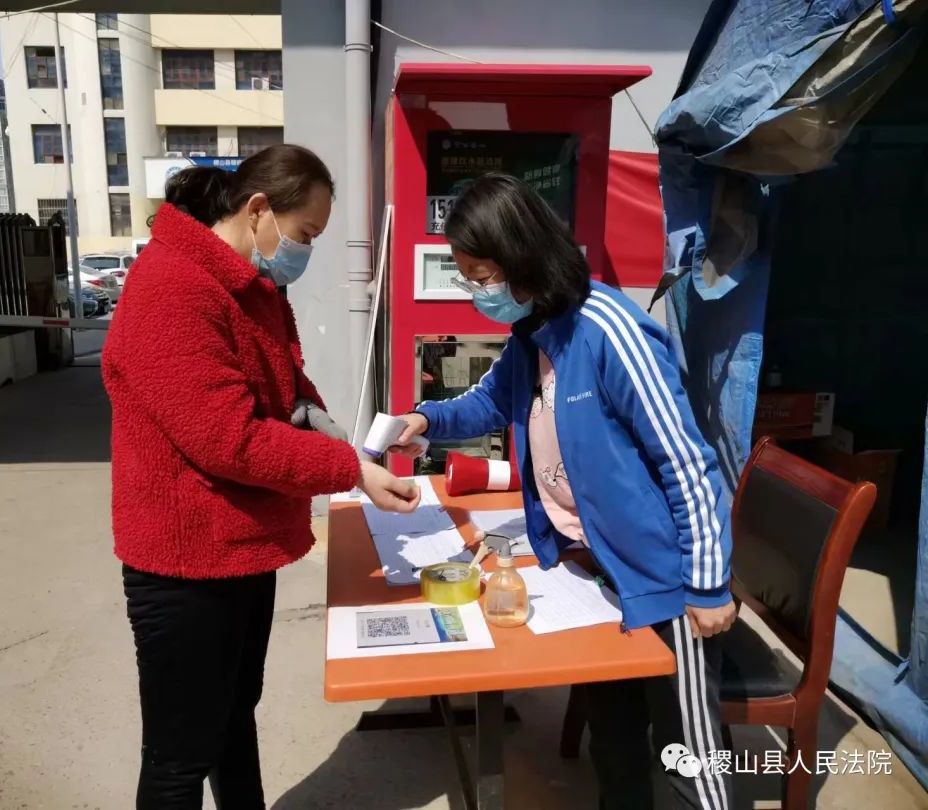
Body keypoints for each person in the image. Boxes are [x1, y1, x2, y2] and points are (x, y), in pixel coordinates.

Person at [392, 173, 736, 810]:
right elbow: (488, 403)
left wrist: (708, 585)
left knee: (688, 753)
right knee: (616, 737)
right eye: (465, 274)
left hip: (663, 578)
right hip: (592, 572)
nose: (473, 289)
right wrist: (426, 420)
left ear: (523, 257)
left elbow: (688, 463)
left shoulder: (609, 332)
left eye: (481, 273)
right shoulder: (533, 333)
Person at [102, 146, 419, 810]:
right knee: (178, 754)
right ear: (257, 210)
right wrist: (349, 470)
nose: (304, 252)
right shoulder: (172, 286)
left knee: (233, 717)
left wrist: (325, 424)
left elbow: (286, 383)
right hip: (183, 561)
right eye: (305, 234)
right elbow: (230, 439)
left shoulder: (254, 285)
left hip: (242, 547)